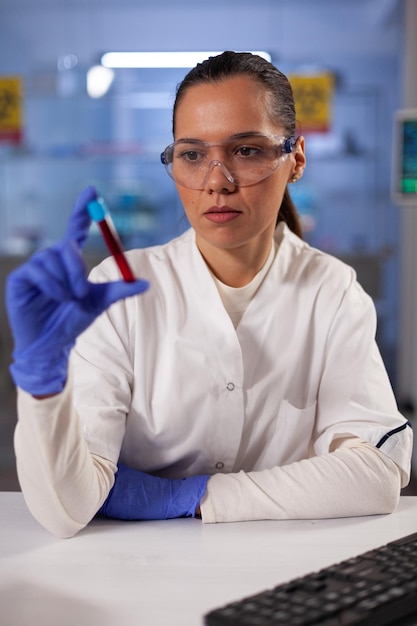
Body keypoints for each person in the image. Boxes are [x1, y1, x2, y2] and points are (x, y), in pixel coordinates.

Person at [6, 51, 412, 539]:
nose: (216, 181)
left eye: (246, 150)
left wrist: (195, 495)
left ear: (295, 159)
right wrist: (42, 384)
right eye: (193, 154)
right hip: (134, 577)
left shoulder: (332, 291)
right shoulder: (120, 289)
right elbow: (65, 511)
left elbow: (374, 477)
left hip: (286, 582)